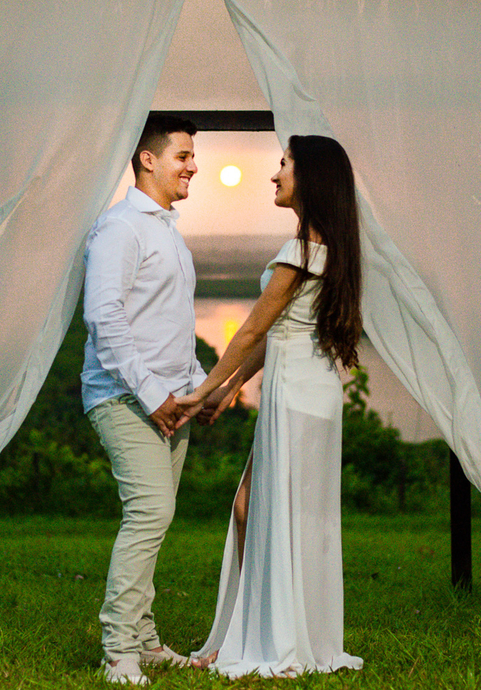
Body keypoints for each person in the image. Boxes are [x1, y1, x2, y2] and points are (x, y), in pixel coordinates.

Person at [174, 134, 365, 678]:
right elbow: (274, 335)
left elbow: (254, 329)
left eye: (284, 164)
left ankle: (269, 640)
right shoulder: (329, 249)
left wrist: (204, 389)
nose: (275, 174)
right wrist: (229, 388)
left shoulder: (299, 252)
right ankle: (269, 633)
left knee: (267, 511)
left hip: (297, 395)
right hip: (311, 391)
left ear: (311, 178)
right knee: (275, 512)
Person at [81, 114, 206, 685]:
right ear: (148, 159)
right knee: (150, 513)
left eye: (193, 156)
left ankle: (147, 641)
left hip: (172, 405)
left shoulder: (167, 231)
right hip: (124, 399)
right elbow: (104, 318)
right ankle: (118, 651)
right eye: (183, 155)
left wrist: (199, 387)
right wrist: (155, 395)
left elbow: (169, 324)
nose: (193, 166)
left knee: (157, 519)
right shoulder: (120, 228)